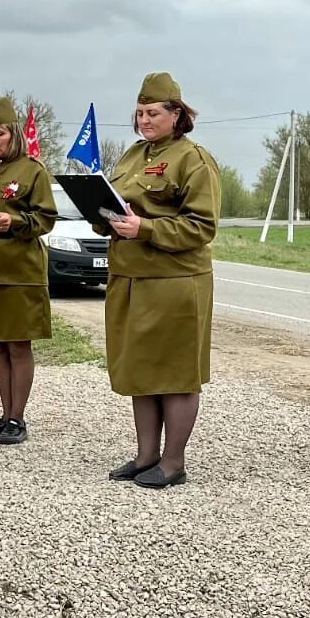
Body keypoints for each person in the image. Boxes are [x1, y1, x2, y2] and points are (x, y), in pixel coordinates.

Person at [95, 73, 221, 489]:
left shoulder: (193, 159)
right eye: (140, 112)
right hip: (130, 276)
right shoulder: (133, 156)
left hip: (174, 282)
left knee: (175, 372)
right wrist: (106, 218)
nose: (144, 120)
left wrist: (146, 229)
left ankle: (173, 462)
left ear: (177, 115)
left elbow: (201, 227)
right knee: (142, 370)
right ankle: (146, 455)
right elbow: (120, 208)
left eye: (153, 113)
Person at [0, 96, 57, 446]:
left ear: (13, 134)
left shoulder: (33, 170)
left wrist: (13, 221)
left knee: (18, 345)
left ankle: (18, 418)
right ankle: (5, 416)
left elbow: (45, 219)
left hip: (21, 268)